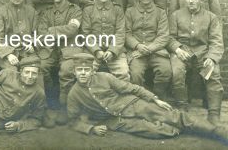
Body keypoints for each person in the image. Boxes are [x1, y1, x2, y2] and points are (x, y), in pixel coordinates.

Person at [67, 53, 228, 141]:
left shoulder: (104, 77)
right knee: (155, 131)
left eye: (86, 69)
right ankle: (183, 130)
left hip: (133, 104)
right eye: (79, 70)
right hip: (115, 120)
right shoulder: (74, 94)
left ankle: (215, 131)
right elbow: (73, 120)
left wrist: (154, 99)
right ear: (74, 72)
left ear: (92, 71)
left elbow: (133, 88)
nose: (82, 73)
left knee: (172, 116)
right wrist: (91, 128)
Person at [169, 0, 224, 125]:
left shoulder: (211, 18)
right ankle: (182, 107)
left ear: (201, 0)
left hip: (203, 54)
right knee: (177, 71)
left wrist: (211, 58)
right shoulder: (176, 15)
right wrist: (177, 49)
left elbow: (216, 41)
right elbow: (169, 37)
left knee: (214, 73)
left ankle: (214, 113)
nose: (191, 1)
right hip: (182, 53)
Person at [37, 0, 82, 126]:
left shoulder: (74, 9)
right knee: (42, 67)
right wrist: (52, 32)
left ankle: (65, 107)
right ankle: (50, 103)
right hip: (50, 48)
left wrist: (52, 30)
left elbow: (72, 30)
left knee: (67, 69)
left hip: (69, 47)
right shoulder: (46, 12)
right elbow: (42, 33)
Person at [125, 0, 172, 100]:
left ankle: (158, 98)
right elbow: (126, 33)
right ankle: (140, 100)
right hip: (136, 52)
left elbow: (163, 36)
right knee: (135, 74)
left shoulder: (160, 12)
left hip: (157, 52)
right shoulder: (130, 12)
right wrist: (138, 46)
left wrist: (149, 48)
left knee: (165, 71)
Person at [81, 0, 130, 81]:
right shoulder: (88, 9)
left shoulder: (117, 9)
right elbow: (85, 34)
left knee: (123, 73)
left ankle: (121, 97)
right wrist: (96, 50)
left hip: (115, 50)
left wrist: (112, 51)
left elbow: (120, 33)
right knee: (85, 73)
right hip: (92, 50)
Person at [0, 0, 38, 71]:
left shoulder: (32, 12)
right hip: (7, 52)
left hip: (27, 52)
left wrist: (32, 44)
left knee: (35, 70)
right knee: (11, 73)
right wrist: (8, 54)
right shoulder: (0, 12)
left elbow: (36, 33)